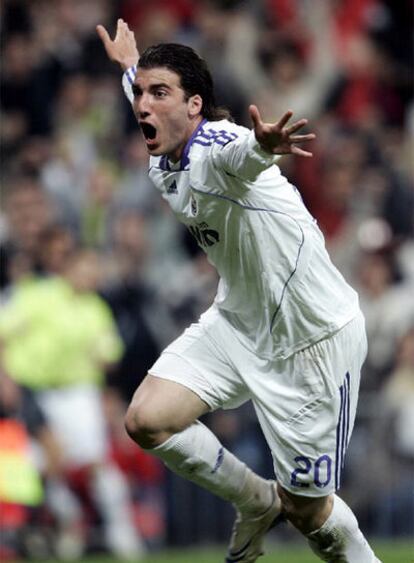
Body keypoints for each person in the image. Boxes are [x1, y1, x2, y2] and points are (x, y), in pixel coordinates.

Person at [96, 19, 380, 562]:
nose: (144, 105)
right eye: (141, 95)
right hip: (239, 323)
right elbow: (140, 88)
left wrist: (265, 145)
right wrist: (129, 67)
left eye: (161, 94)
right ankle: (253, 499)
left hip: (313, 339)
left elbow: (241, 154)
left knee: (307, 512)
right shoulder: (163, 159)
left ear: (196, 105)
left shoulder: (216, 148)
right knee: (146, 420)